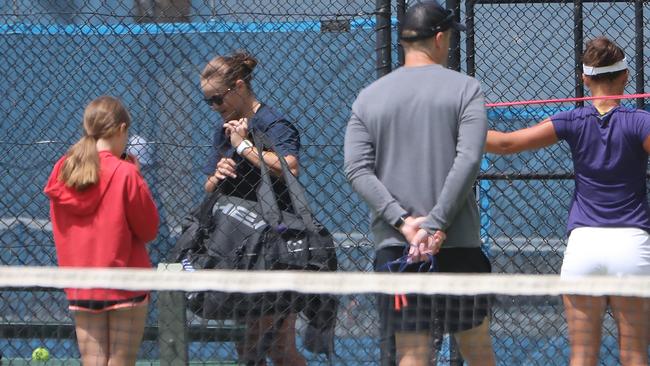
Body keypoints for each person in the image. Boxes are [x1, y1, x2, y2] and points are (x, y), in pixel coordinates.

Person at [344, 1, 496, 365]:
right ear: (440, 38)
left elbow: (356, 169)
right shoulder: (467, 89)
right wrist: (437, 224)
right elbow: (470, 159)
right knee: (477, 351)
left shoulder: (368, 98)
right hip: (458, 244)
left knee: (412, 353)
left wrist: (404, 224)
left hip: (398, 250)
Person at [486, 37, 650, 366]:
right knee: (634, 356)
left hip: (583, 248)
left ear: (585, 79)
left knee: (581, 356)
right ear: (626, 77)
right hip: (632, 249)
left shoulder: (572, 121)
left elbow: (505, 144)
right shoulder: (640, 122)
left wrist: (450, 127)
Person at [199, 51, 304, 366]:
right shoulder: (224, 129)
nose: (215, 107)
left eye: (218, 99)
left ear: (239, 87)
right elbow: (208, 185)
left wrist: (244, 147)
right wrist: (216, 176)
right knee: (247, 347)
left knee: (279, 348)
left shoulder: (272, 123)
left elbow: (290, 167)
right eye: (209, 102)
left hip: (276, 248)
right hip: (240, 248)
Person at [44, 96, 159, 366]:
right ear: (121, 129)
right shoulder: (126, 172)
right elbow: (149, 229)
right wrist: (136, 176)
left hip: (82, 283)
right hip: (125, 282)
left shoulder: (63, 168)